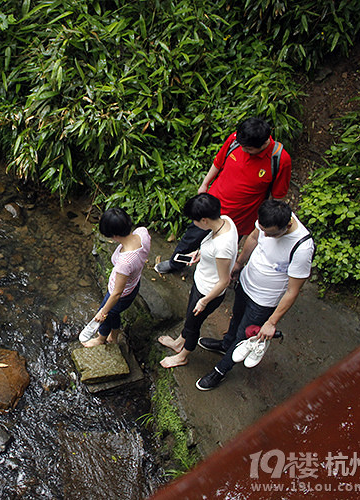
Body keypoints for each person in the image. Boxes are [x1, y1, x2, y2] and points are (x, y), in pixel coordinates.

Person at [195, 200, 314, 390]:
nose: (266, 234)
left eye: (271, 233)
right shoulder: (267, 222)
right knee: (236, 319)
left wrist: (271, 322)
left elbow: (293, 291)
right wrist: (239, 263)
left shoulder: (302, 248)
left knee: (244, 335)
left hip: (264, 300)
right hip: (246, 282)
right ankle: (226, 344)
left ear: (288, 225)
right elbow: (253, 237)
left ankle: (220, 370)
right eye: (263, 229)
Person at [155, 117, 291, 274]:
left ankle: (215, 275)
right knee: (191, 237)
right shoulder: (236, 140)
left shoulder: (280, 160)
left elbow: (277, 196)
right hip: (211, 204)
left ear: (263, 143)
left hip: (240, 216)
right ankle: (175, 263)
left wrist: (267, 219)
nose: (244, 150)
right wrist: (205, 184)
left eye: (248, 149)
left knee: (224, 248)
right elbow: (218, 162)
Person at [158, 194, 237, 368]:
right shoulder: (224, 220)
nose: (194, 224)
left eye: (195, 221)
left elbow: (224, 280)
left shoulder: (223, 247)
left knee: (194, 325)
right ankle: (179, 342)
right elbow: (211, 249)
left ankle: (183, 356)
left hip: (208, 291)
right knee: (189, 319)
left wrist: (204, 301)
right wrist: (200, 254)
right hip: (202, 283)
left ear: (204, 220)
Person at [82, 208, 150, 347]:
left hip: (120, 294)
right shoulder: (142, 233)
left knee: (106, 316)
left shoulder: (125, 262)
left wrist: (103, 311)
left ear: (114, 235)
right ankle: (114, 334)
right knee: (114, 314)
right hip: (133, 285)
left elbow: (117, 293)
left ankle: (101, 339)